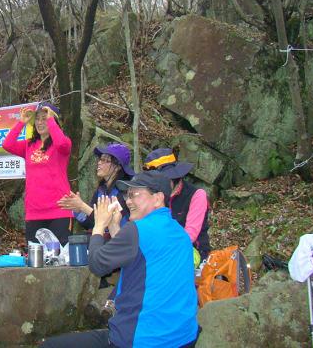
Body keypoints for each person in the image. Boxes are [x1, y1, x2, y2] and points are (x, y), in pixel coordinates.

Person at [41, 171, 199, 348]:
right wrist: (113, 224)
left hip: (145, 339)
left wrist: (99, 225)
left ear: (157, 198)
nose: (129, 201)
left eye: (135, 195)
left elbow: (97, 264)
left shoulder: (139, 230)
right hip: (183, 337)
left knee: (49, 346)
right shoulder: (179, 231)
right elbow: (131, 254)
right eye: (127, 195)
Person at [3, 101, 73, 246]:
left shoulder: (63, 144)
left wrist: (51, 120)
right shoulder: (29, 145)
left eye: (45, 118)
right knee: (36, 260)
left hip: (58, 210)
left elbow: (61, 143)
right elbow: (7, 145)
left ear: (53, 120)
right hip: (34, 211)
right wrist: (21, 122)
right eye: (38, 119)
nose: (40, 122)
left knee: (59, 259)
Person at [144, 148, 211, 259]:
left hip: (192, 253)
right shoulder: (154, 195)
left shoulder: (197, 195)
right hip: (158, 250)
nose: (157, 185)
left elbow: (190, 235)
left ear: (174, 177)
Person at [57, 142, 134, 230]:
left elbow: (109, 223)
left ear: (118, 167)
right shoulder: (101, 190)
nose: (99, 163)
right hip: (104, 241)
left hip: (122, 241)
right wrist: (77, 210)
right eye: (100, 159)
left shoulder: (123, 191)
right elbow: (90, 224)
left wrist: (82, 206)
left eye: (106, 160)